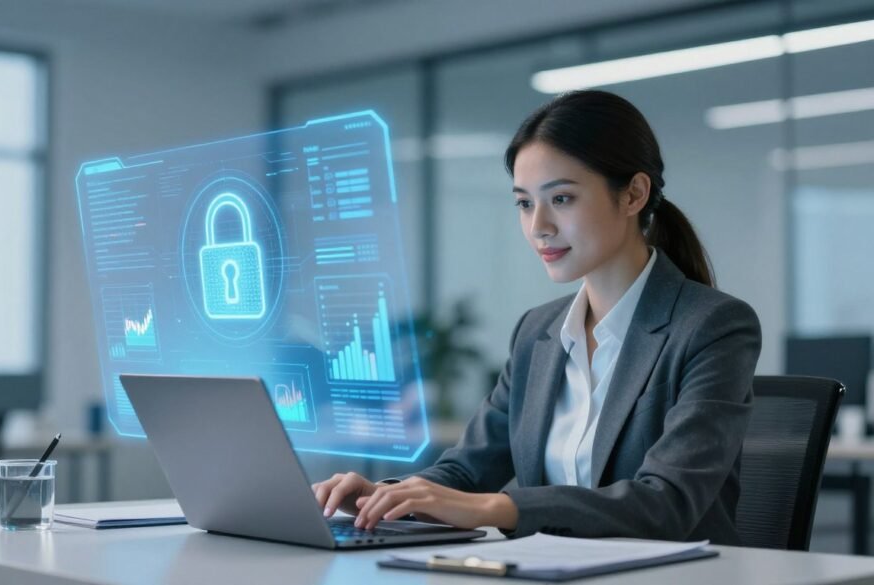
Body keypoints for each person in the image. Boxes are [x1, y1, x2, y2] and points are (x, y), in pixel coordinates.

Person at [312, 90, 762, 545]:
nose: (538, 226)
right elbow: (468, 470)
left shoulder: (712, 326)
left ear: (633, 195)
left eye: (561, 199)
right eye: (525, 203)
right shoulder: (538, 333)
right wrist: (385, 497)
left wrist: (495, 508)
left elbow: (668, 502)